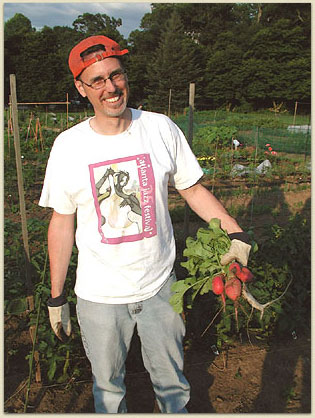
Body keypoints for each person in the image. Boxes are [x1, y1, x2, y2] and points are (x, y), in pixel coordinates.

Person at [39, 35, 252, 414]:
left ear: (125, 75)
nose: (110, 88)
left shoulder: (159, 128)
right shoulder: (68, 147)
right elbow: (61, 223)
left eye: (116, 75)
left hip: (159, 288)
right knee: (108, 390)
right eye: (98, 80)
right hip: (99, 297)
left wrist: (233, 230)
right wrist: (57, 297)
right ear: (81, 88)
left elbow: (192, 189)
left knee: (172, 383)